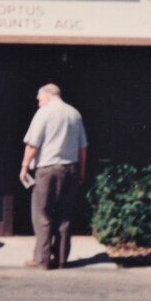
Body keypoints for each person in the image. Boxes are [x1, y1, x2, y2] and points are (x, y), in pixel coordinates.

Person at [19, 83, 88, 270]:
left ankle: (43, 259)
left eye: (39, 99)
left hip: (48, 169)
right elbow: (82, 148)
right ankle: (61, 259)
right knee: (65, 215)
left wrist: (25, 166)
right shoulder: (75, 114)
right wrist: (81, 171)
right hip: (70, 168)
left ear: (48, 97)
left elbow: (33, 144)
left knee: (42, 214)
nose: (38, 103)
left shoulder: (44, 113)